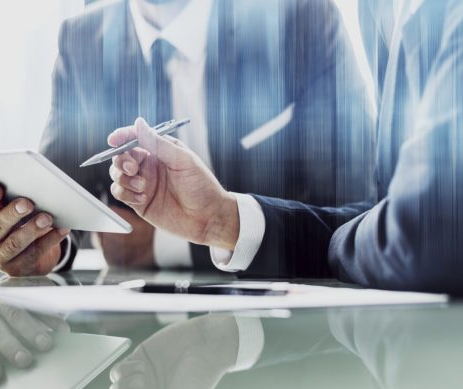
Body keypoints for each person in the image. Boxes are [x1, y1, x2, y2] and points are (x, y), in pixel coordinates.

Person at [0, 0, 374, 276]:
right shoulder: (83, 41)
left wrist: (169, 245)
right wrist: (41, 247)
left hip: (288, 338)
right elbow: (58, 202)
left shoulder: (301, 18)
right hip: (133, 352)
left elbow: (362, 216)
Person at [108, 0, 463, 294]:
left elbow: (423, 235)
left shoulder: (303, 18)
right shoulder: (378, 9)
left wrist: (336, 244)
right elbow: (385, 217)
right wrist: (223, 220)